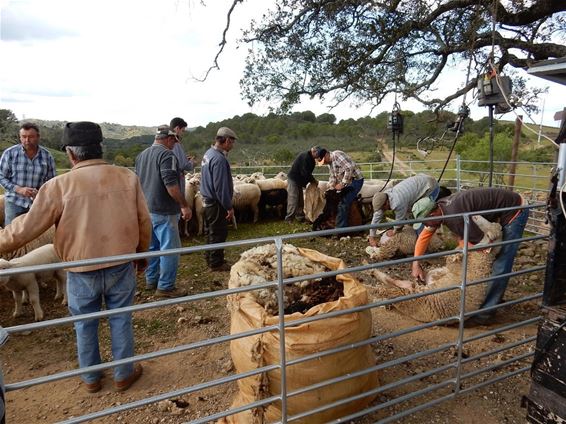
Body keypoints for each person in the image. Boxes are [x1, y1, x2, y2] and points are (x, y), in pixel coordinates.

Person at [0, 121, 151, 393]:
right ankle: (123, 374)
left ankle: (92, 379)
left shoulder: (59, 186)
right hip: (120, 265)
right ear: (100, 147)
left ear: (70, 153)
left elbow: (24, 229)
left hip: (79, 269)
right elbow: (143, 221)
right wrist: (141, 253)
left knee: (84, 323)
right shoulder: (127, 177)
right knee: (121, 319)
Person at [411, 187, 529, 324]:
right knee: (482, 260)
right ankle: (492, 297)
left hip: (514, 210)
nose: (426, 225)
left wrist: (463, 249)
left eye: (425, 222)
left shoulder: (454, 217)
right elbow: (425, 236)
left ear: (432, 215)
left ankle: (485, 314)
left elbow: (484, 243)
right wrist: (416, 264)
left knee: (500, 262)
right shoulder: (441, 209)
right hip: (498, 208)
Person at [135, 125, 192, 298]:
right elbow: (171, 186)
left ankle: (151, 280)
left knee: (153, 247)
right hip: (165, 210)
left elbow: (138, 183)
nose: (175, 144)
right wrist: (184, 205)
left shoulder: (141, 156)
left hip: (147, 210)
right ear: (168, 138)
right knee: (170, 249)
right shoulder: (167, 155)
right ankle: (166, 286)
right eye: (175, 140)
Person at [369, 174, 451, 246]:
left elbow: (399, 222)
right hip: (419, 183)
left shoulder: (398, 201)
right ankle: (418, 238)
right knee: (412, 216)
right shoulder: (384, 197)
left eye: (382, 208)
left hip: (429, 186)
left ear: (386, 203)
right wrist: (371, 237)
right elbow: (376, 217)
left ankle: (424, 243)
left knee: (423, 214)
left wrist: (394, 232)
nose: (382, 210)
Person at [0, 122, 56, 225]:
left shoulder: (47, 156)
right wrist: (19, 189)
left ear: (38, 137)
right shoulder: (9, 153)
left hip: (38, 203)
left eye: (31, 137)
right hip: (14, 201)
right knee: (12, 235)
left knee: (36, 235)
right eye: (23, 136)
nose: (27, 140)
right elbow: (1, 177)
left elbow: (52, 181)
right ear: (20, 137)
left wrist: (40, 192)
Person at [200, 127, 237, 272]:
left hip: (208, 200)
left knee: (211, 230)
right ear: (227, 140)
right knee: (219, 232)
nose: (232, 146)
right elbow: (220, 186)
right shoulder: (219, 159)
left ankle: (210, 257)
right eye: (232, 142)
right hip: (216, 202)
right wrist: (228, 206)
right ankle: (216, 263)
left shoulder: (208, 154)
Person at [316, 148, 364, 228]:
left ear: (326, 155)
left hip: (355, 180)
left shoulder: (337, 155)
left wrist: (342, 184)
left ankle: (341, 229)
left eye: (323, 161)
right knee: (334, 200)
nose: (324, 163)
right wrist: (331, 188)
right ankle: (338, 221)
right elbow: (333, 177)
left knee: (343, 203)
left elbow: (349, 168)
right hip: (347, 183)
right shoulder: (330, 164)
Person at [285, 146, 319, 223]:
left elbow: (307, 173)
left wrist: (311, 180)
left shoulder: (311, 159)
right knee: (293, 198)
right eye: (318, 154)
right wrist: (313, 180)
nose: (318, 156)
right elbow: (305, 172)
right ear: (313, 151)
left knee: (300, 200)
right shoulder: (305, 157)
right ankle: (289, 219)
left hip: (299, 180)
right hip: (294, 179)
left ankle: (300, 217)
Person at [170, 117, 196, 195]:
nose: (183, 133)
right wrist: (192, 163)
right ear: (177, 128)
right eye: (182, 131)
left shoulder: (168, 144)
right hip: (176, 181)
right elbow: (183, 165)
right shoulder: (176, 143)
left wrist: (184, 158)